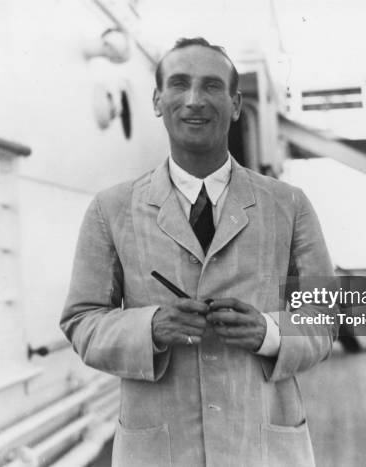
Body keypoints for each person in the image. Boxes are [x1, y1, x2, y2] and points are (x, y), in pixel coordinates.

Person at [60, 37, 337, 467]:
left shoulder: (289, 204)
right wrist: (150, 327)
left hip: (261, 444)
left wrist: (270, 334)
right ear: (157, 100)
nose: (194, 100)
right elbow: (81, 322)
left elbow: (326, 318)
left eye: (211, 86)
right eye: (179, 84)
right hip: (160, 448)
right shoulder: (110, 208)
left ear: (236, 103)